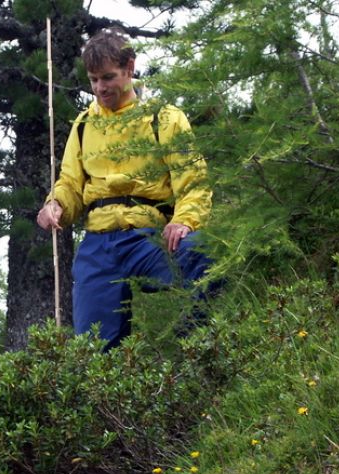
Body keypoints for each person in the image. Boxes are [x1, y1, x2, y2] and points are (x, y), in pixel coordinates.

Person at [36, 27, 214, 350]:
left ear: (130, 68)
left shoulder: (165, 118)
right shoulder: (83, 124)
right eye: (93, 80)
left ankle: (192, 348)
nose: (100, 88)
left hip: (149, 239)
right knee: (94, 349)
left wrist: (184, 219)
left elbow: (194, 182)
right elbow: (70, 184)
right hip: (98, 245)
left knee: (204, 252)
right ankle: (110, 395)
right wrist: (57, 204)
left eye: (108, 78)